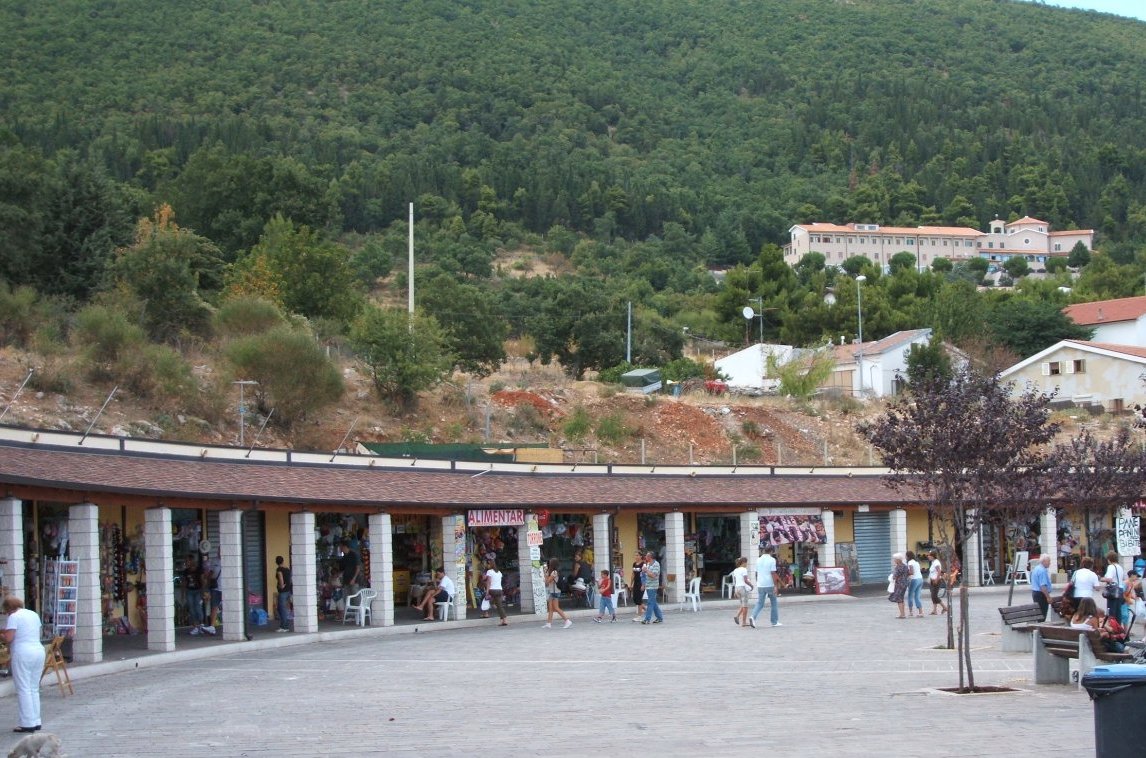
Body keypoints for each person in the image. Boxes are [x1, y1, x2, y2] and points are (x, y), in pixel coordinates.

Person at [2, 596, 46, 733]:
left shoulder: (14, 617)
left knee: (23, 688)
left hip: (23, 652)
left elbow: (9, 638)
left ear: (9, 608)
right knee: (33, 688)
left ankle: (27, 722)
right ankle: (36, 720)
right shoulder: (33, 614)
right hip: (38, 651)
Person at [751, 545, 782, 628]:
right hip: (769, 584)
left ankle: (753, 617)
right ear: (771, 551)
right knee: (774, 603)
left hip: (760, 584)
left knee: (760, 603)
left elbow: (756, 573)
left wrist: (757, 582)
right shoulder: (772, 560)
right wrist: (775, 586)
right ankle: (774, 621)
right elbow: (773, 573)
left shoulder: (758, 559)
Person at [1099, 550, 1126, 625]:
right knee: (1118, 612)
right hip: (1120, 590)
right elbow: (1122, 578)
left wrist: (1101, 578)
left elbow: (1109, 579)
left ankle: (1112, 629)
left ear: (1109, 559)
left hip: (1113, 591)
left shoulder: (1111, 567)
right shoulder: (1120, 567)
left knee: (1111, 612)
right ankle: (1119, 629)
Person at [181, 554, 206, 634]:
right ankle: (195, 626)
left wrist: (203, 592)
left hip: (198, 591)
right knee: (191, 608)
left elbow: (202, 581)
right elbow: (184, 582)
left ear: (192, 561)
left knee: (198, 607)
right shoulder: (186, 571)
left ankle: (201, 625)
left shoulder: (199, 570)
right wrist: (183, 594)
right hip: (189, 591)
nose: (186, 562)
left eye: (187, 560)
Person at [543, 558, 571, 629]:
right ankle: (549, 623)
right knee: (551, 609)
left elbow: (547, 582)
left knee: (556, 608)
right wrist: (546, 573)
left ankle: (567, 620)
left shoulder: (554, 572)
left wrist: (545, 574)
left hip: (555, 592)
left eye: (550, 562)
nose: (548, 564)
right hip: (552, 591)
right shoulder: (553, 571)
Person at [641, 551, 664, 625]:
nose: (645, 557)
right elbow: (645, 575)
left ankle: (647, 619)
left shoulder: (656, 564)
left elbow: (654, 575)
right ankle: (659, 617)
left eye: (647, 556)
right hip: (648, 585)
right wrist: (643, 584)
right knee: (653, 602)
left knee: (650, 602)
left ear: (650, 557)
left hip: (653, 586)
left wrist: (646, 570)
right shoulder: (648, 564)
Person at [483, 559, 508, 626]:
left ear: (490, 564)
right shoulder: (499, 572)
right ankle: (504, 620)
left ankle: (486, 613)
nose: (486, 565)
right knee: (500, 606)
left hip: (492, 590)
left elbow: (489, 582)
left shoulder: (489, 572)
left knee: (485, 600)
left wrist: (487, 592)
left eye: (487, 564)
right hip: (499, 590)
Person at [730, 556, 753, 628]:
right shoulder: (744, 569)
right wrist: (751, 585)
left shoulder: (735, 570)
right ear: (743, 562)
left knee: (743, 604)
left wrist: (735, 591)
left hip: (737, 588)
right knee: (745, 606)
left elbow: (736, 581)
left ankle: (737, 616)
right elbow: (745, 580)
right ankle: (743, 622)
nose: (747, 564)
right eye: (746, 563)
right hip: (743, 588)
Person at [202, 553, 221, 635]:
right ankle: (212, 626)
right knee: (214, 606)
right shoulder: (215, 561)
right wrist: (207, 583)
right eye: (218, 550)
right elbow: (211, 573)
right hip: (216, 587)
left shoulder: (230, 559)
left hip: (227, 588)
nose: (219, 552)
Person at [1030, 554, 1053, 621]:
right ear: (1043, 562)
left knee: (1039, 613)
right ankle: (1041, 628)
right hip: (1041, 594)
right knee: (1042, 614)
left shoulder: (1036, 568)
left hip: (1035, 593)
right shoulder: (1042, 571)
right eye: (1048, 561)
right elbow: (1043, 586)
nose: (1050, 563)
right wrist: (1048, 597)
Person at [274, 555, 292, 633]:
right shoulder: (287, 569)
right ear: (283, 561)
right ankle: (285, 625)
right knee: (283, 608)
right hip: (288, 590)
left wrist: (281, 586)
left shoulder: (279, 569)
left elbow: (281, 578)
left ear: (276, 562)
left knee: (282, 609)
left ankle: (284, 626)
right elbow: (290, 579)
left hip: (283, 591)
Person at [927, 550, 947, 616]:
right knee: (933, 596)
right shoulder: (933, 562)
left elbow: (939, 571)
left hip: (936, 581)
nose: (928, 556)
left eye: (929, 555)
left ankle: (945, 607)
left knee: (934, 596)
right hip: (932, 581)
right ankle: (934, 610)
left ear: (932, 556)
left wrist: (936, 579)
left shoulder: (936, 563)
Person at [889, 553, 909, 619]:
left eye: (895, 559)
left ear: (898, 560)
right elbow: (907, 574)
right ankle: (902, 613)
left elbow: (894, 577)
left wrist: (892, 577)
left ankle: (902, 614)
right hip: (905, 583)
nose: (894, 560)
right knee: (901, 598)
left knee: (899, 599)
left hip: (899, 584)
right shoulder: (905, 566)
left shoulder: (898, 567)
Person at [905, 551, 924, 618]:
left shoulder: (910, 562)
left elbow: (911, 572)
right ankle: (920, 612)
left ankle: (911, 612)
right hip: (920, 579)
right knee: (917, 596)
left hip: (914, 579)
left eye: (906, 556)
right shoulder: (916, 562)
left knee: (910, 595)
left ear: (908, 556)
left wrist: (905, 574)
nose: (905, 557)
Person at [630, 555, 647, 622]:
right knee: (635, 599)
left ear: (640, 556)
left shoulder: (643, 564)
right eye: (635, 555)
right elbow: (633, 574)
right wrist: (631, 583)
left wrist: (643, 585)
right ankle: (647, 610)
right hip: (636, 583)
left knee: (639, 599)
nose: (636, 556)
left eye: (637, 555)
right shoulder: (634, 564)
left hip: (641, 583)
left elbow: (645, 575)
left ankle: (639, 616)